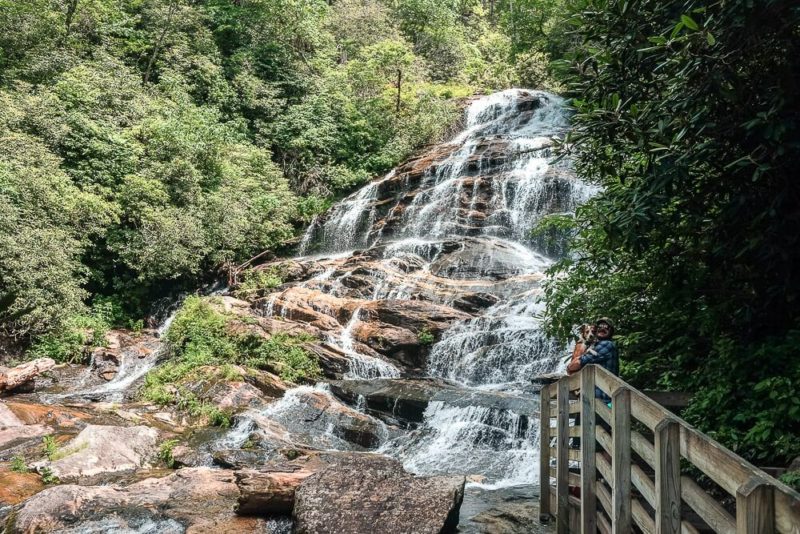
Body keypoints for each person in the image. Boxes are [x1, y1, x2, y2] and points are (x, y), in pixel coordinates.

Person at [578, 317, 619, 402]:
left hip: (599, 399)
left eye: (606, 326)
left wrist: (571, 365)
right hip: (589, 397)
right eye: (599, 327)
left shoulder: (607, 344)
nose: (602, 328)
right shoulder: (595, 345)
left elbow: (580, 361)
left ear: (611, 330)